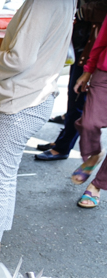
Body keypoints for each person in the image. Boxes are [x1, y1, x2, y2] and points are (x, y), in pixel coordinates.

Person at [0, 0, 75, 267]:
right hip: (33, 97)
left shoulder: (43, 3)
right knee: (3, 175)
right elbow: (25, 44)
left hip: (24, 101)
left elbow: (19, 58)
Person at [35, 0, 107, 161]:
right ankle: (62, 141)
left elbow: (97, 11)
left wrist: (77, 8)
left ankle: (64, 146)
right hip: (84, 43)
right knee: (74, 95)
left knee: (78, 100)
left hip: (92, 49)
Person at [72, 11, 107, 208]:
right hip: (104, 72)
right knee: (88, 123)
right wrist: (87, 71)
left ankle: (97, 185)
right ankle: (94, 154)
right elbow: (101, 41)